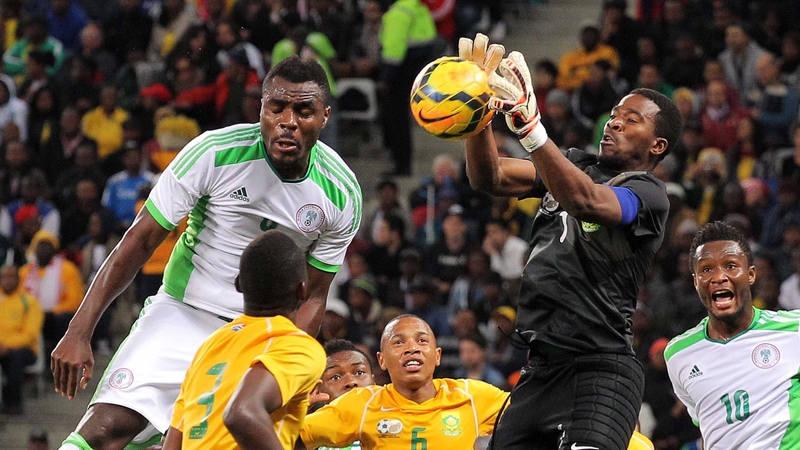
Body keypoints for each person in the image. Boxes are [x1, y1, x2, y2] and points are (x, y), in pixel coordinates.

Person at [52, 55, 362, 449]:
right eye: (276, 107)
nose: (288, 121)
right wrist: (80, 330)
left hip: (260, 335)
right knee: (103, 431)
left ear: (324, 117)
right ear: (262, 108)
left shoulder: (341, 192)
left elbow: (316, 293)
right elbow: (139, 240)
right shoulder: (214, 152)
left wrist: (288, 360)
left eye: (304, 111)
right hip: (183, 312)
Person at [459, 34, 682, 450]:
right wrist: (478, 114)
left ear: (657, 145)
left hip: (601, 371)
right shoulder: (573, 163)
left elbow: (586, 201)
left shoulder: (649, 194)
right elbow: (489, 177)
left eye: (631, 119)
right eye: (614, 114)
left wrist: (531, 130)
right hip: (539, 372)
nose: (613, 122)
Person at [162, 230, 326, 449]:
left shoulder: (210, 345)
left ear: (239, 284)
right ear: (302, 291)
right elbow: (242, 412)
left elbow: (174, 440)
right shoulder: (298, 346)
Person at [665, 221, 800, 449]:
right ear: (696, 281)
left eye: (730, 266)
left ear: (750, 274)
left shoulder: (793, 330)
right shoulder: (678, 354)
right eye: (706, 269)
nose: (719, 277)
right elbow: (706, 420)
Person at [297, 314, 509, 450]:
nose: (412, 348)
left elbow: (532, 415)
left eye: (422, 340)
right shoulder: (362, 404)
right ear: (381, 360)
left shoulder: (471, 396)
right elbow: (292, 438)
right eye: (398, 342)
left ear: (437, 356)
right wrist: (292, 410)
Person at [0, 265, 44, 415]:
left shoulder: (29, 302)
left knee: (16, 358)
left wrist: (7, 346)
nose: (7, 280)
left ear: (19, 280)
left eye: (11, 277)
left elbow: (31, 334)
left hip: (24, 349)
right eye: (4, 277)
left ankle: (14, 402)